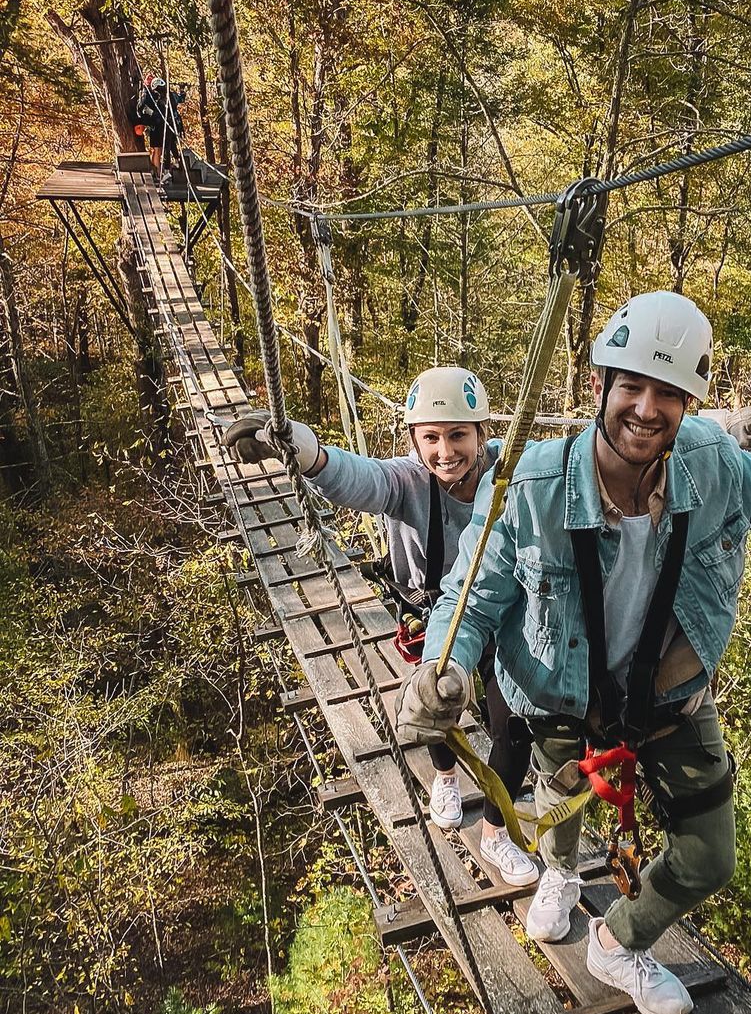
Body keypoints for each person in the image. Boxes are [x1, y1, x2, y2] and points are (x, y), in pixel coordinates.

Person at [395, 291, 751, 1014]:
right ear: (597, 387)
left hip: (669, 690)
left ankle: (618, 940)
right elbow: (472, 592)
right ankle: (559, 875)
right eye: (632, 386)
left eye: (669, 393)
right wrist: (445, 666)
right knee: (559, 808)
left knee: (709, 855)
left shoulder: (709, 461)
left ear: (688, 402)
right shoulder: (530, 482)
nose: (647, 409)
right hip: (556, 686)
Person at [223, 367, 541, 886]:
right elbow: (362, 480)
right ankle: (444, 778)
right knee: (435, 704)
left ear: (483, 432)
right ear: (415, 440)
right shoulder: (409, 481)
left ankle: (495, 834)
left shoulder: (514, 470)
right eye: (431, 438)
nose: (445, 452)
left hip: (498, 613)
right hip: (432, 608)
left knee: (515, 726)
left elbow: (574, 469)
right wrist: (309, 454)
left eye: (458, 435)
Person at [137, 77, 185, 182]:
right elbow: (181, 99)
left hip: (164, 126)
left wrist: (151, 113)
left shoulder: (160, 100)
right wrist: (182, 90)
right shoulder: (172, 95)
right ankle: (176, 160)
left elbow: (162, 115)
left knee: (165, 147)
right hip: (174, 124)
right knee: (171, 144)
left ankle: (166, 171)